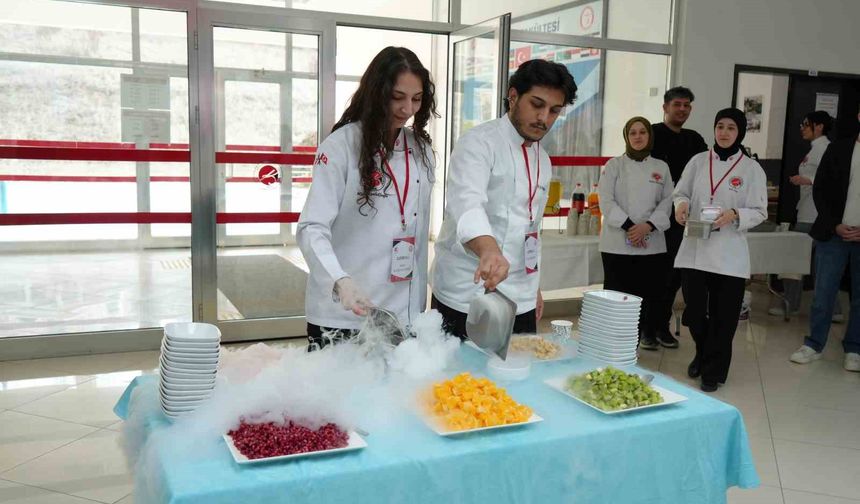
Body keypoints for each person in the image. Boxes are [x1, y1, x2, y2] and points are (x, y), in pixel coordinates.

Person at [297, 47, 437, 349]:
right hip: (345, 309)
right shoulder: (340, 147)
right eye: (397, 97)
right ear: (377, 92)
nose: (407, 109)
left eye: (416, 98)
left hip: (400, 312)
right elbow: (311, 228)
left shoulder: (421, 150)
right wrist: (340, 280)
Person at [431, 59, 577, 339]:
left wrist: (532, 286)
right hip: (467, 291)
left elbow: (529, 227)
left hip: (520, 294)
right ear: (513, 97)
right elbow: (467, 204)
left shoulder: (542, 159)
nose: (544, 118)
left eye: (554, 111)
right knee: (461, 379)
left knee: (517, 375)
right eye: (537, 104)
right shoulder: (478, 144)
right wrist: (488, 250)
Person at [674, 108, 768, 392]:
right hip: (695, 250)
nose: (724, 132)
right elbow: (681, 192)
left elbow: (760, 210)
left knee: (724, 317)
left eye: (731, 128)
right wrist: (680, 205)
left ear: (739, 132)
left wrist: (735, 214)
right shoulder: (699, 161)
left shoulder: (751, 169)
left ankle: (712, 370)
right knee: (694, 312)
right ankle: (701, 353)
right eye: (720, 127)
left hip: (729, 255)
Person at [789, 105, 860, 372]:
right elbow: (822, 190)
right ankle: (814, 344)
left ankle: (854, 348)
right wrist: (836, 224)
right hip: (834, 233)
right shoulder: (839, 149)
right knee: (823, 293)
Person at [598, 117, 674, 349]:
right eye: (633, 132)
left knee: (651, 294)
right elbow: (606, 202)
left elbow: (668, 202)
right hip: (617, 244)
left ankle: (647, 333)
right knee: (618, 295)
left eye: (643, 132)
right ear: (626, 137)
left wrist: (646, 227)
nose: (638, 136)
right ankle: (614, 340)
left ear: (649, 136)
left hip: (651, 242)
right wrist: (632, 228)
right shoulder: (613, 166)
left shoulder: (661, 167)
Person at [769, 111, 843, 320]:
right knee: (816, 262)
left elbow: (832, 178)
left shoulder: (826, 148)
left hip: (814, 215)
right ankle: (834, 309)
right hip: (808, 212)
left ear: (818, 127)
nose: (802, 128)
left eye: (806, 124)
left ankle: (791, 304)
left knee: (794, 258)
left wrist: (807, 179)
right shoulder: (815, 149)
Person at [650, 86, 708, 349]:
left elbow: (707, 174)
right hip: (655, 218)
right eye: (677, 105)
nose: (682, 109)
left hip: (684, 220)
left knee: (673, 277)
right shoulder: (652, 135)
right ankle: (646, 329)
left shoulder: (695, 140)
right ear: (665, 107)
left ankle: (662, 327)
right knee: (654, 275)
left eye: (686, 105)